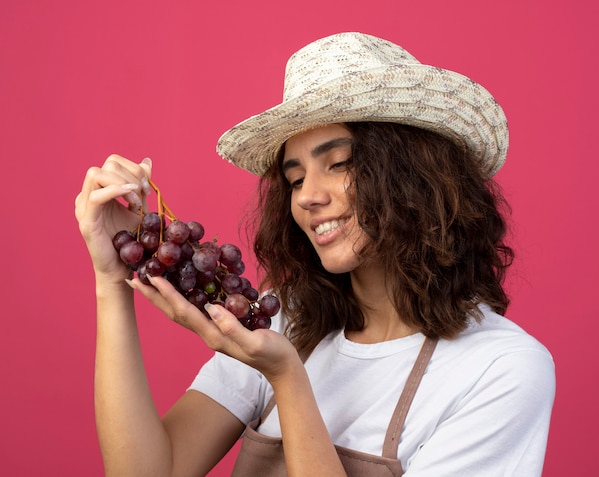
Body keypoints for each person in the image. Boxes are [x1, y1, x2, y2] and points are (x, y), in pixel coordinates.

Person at [75, 32, 555, 476]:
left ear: (415, 175)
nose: (307, 196)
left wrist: (287, 379)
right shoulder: (285, 321)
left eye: (339, 163)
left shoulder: (500, 369)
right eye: (295, 177)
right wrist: (111, 280)